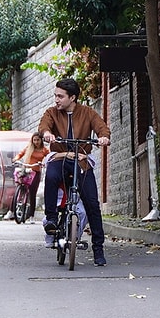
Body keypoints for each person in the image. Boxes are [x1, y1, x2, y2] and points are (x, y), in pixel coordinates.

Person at [38, 78, 111, 266]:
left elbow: (101, 127)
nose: (56, 100)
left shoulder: (87, 112)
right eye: (55, 95)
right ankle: (52, 219)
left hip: (81, 160)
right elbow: (44, 126)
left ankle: (98, 250)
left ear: (73, 97)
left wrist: (103, 137)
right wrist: (46, 134)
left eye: (60, 96)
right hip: (60, 157)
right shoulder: (51, 113)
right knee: (52, 177)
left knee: (93, 203)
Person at [4, 132, 50, 223]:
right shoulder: (29, 148)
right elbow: (20, 154)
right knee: (19, 188)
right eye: (34, 140)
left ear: (41, 140)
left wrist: (44, 163)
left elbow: (49, 157)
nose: (36, 142)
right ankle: (11, 211)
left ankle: (31, 215)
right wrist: (16, 159)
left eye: (38, 140)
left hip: (36, 172)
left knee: (32, 193)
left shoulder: (44, 150)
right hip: (26, 170)